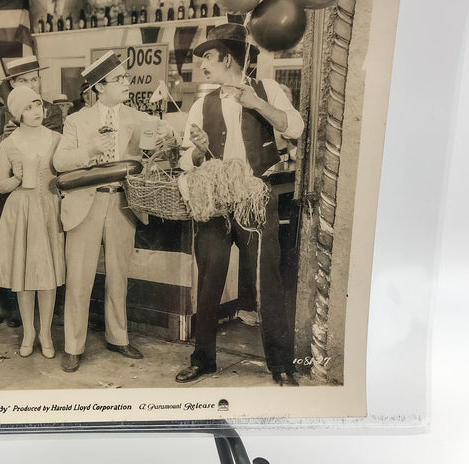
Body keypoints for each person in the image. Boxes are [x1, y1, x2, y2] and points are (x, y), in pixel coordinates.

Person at [175, 24, 304, 386]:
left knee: (267, 282)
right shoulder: (202, 103)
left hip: (256, 198)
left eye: (208, 58)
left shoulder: (268, 89)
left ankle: (281, 365)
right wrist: (198, 150)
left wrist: (257, 104)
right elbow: (189, 162)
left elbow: (295, 127)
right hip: (216, 203)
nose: (202, 66)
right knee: (209, 282)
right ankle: (203, 359)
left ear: (227, 58)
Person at [53, 51, 173, 373]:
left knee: (119, 276)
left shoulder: (139, 117)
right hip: (84, 204)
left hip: (122, 203)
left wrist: (165, 137)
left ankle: (118, 337)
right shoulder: (76, 121)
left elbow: (154, 157)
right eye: (118, 79)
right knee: (79, 277)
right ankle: (73, 345)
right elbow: (60, 163)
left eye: (125, 77)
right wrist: (88, 152)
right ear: (99, 86)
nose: (126, 83)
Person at [0, 56, 63, 327]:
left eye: (37, 104)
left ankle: (44, 331)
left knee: (48, 270)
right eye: (27, 107)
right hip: (19, 208)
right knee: (22, 269)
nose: (35, 110)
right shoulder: (6, 131)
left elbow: (63, 164)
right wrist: (16, 173)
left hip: (48, 205)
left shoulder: (55, 126)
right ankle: (27, 330)